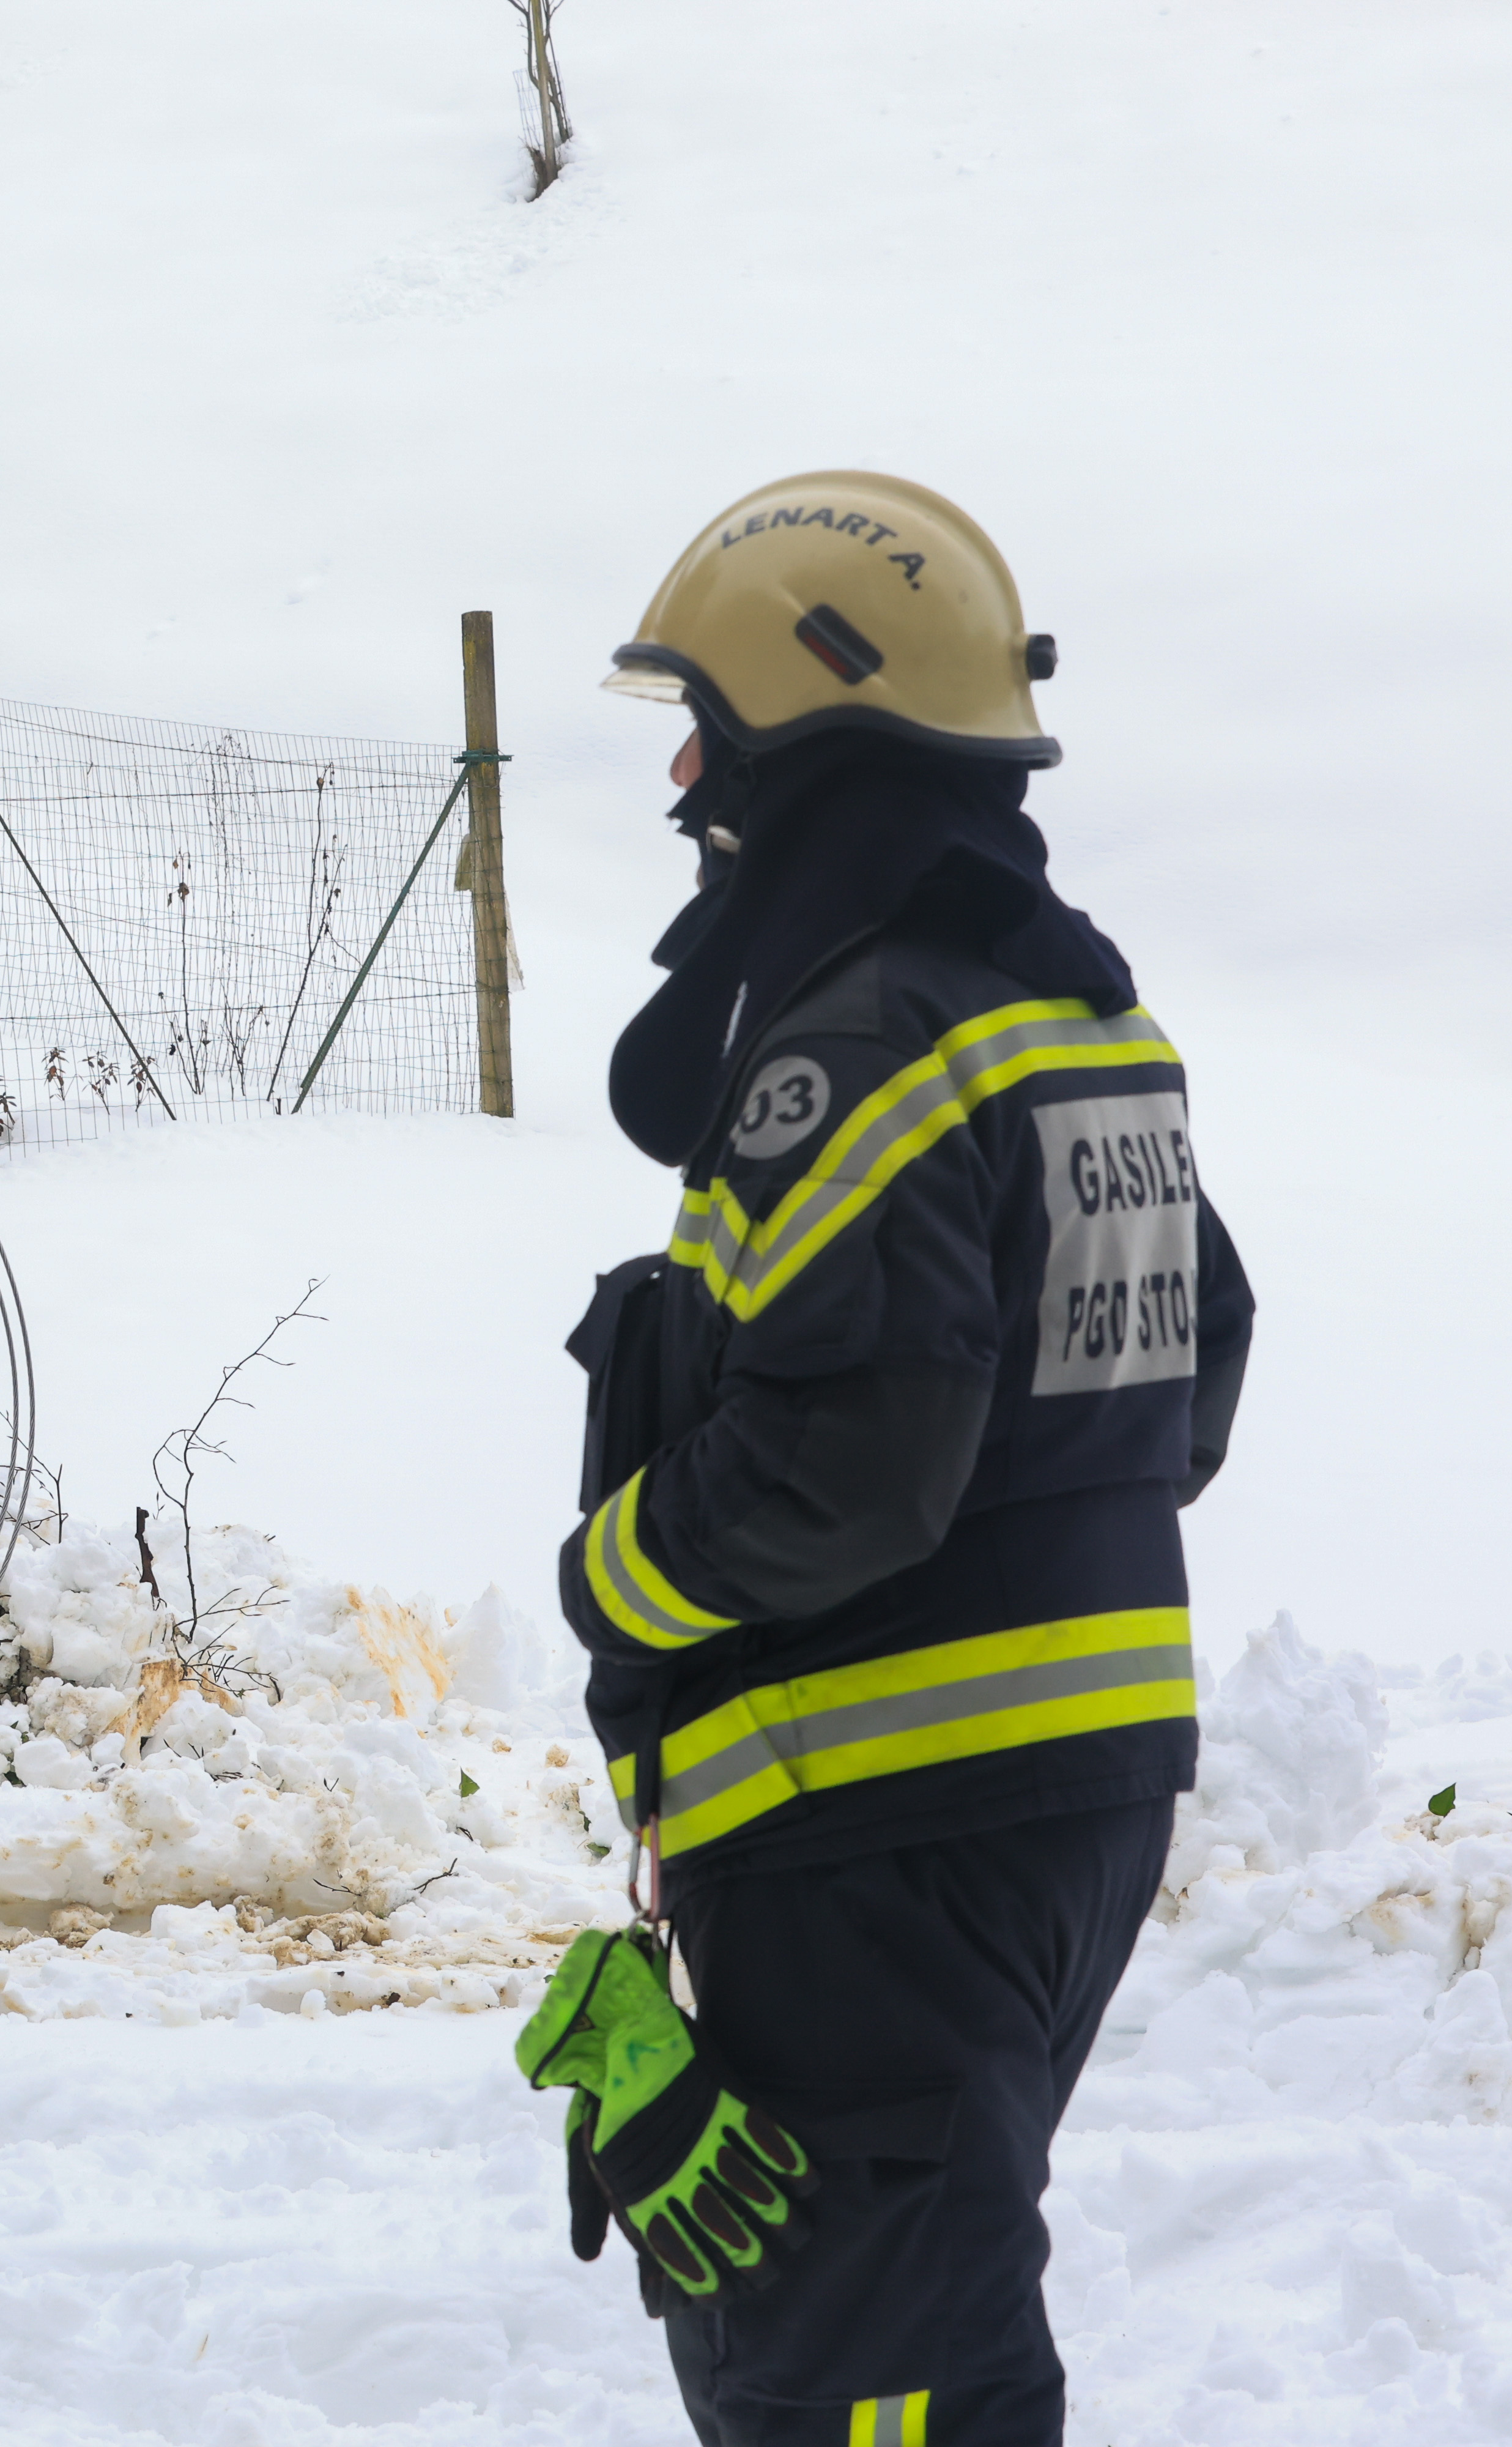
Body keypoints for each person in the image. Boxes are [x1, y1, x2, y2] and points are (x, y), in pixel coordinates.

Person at [552, 472, 1253, 2445]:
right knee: (906, 2322)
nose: (684, 776)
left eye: (708, 728)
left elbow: (847, 1468)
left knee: (870, 2384)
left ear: (813, 731)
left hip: (883, 1828)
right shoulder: (1073, 1017)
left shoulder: (859, 1041)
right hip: (1051, 1815)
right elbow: (1193, 1376)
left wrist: (610, 1582)